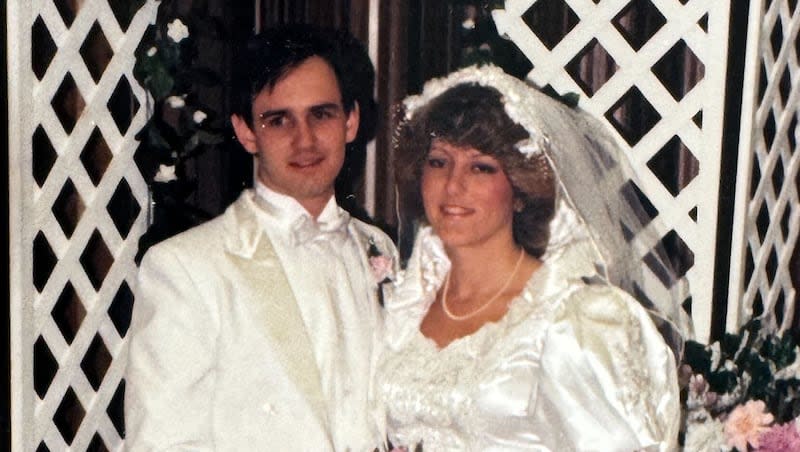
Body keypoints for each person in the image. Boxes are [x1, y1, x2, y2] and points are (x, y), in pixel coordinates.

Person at [378, 65, 692, 451]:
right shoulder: (403, 306)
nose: (453, 185)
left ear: (520, 187)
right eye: (439, 161)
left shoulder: (571, 322)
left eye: (481, 167)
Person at [125, 25, 396, 451]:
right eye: (279, 120)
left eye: (321, 114)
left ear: (351, 121)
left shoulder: (378, 249)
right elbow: (164, 444)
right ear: (247, 131)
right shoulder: (187, 268)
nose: (304, 139)